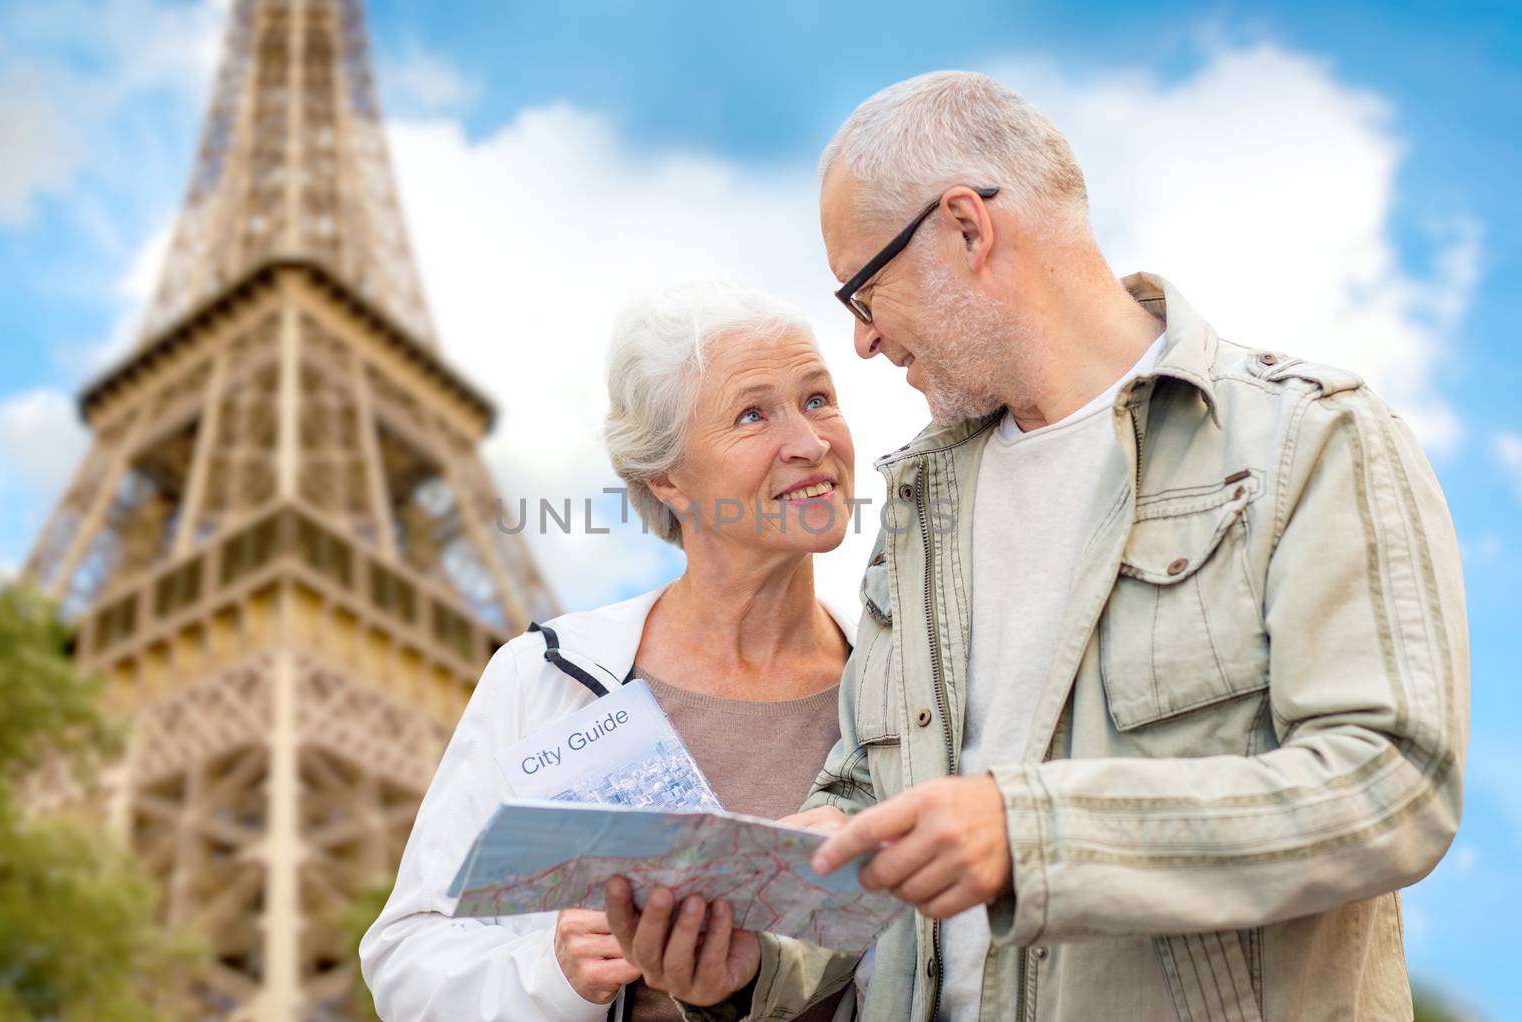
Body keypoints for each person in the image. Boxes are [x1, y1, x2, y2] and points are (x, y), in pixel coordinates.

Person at [607, 71, 1469, 1021]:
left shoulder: (1312, 440)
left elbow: (1394, 783)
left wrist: (1034, 834)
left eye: (862, 289)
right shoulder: (919, 505)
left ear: (967, 229)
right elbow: (865, 804)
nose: (861, 343)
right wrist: (749, 963)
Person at [359, 281, 862, 1022]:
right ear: (668, 479)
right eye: (753, 413)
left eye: (818, 399)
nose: (810, 442)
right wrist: (557, 975)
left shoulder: (899, 687)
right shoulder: (541, 679)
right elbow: (405, 959)